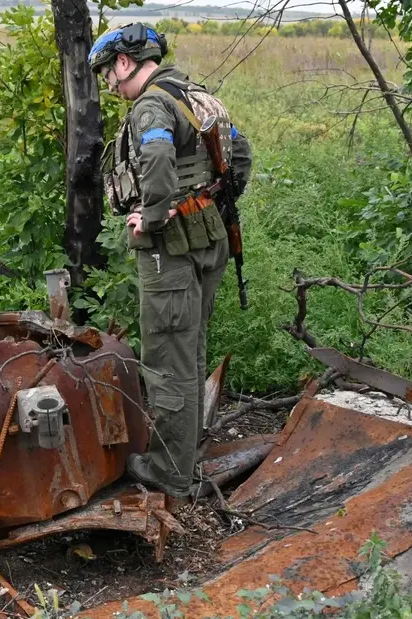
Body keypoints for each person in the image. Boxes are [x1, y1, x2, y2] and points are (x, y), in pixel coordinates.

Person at [90, 22, 252, 498]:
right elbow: (241, 154)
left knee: (167, 357)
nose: (109, 84)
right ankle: (187, 453)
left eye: (107, 72)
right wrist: (208, 201)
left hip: (172, 250)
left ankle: (168, 474)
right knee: (192, 346)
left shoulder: (151, 105)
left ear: (124, 61)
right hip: (209, 237)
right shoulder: (196, 95)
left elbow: (157, 161)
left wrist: (155, 216)